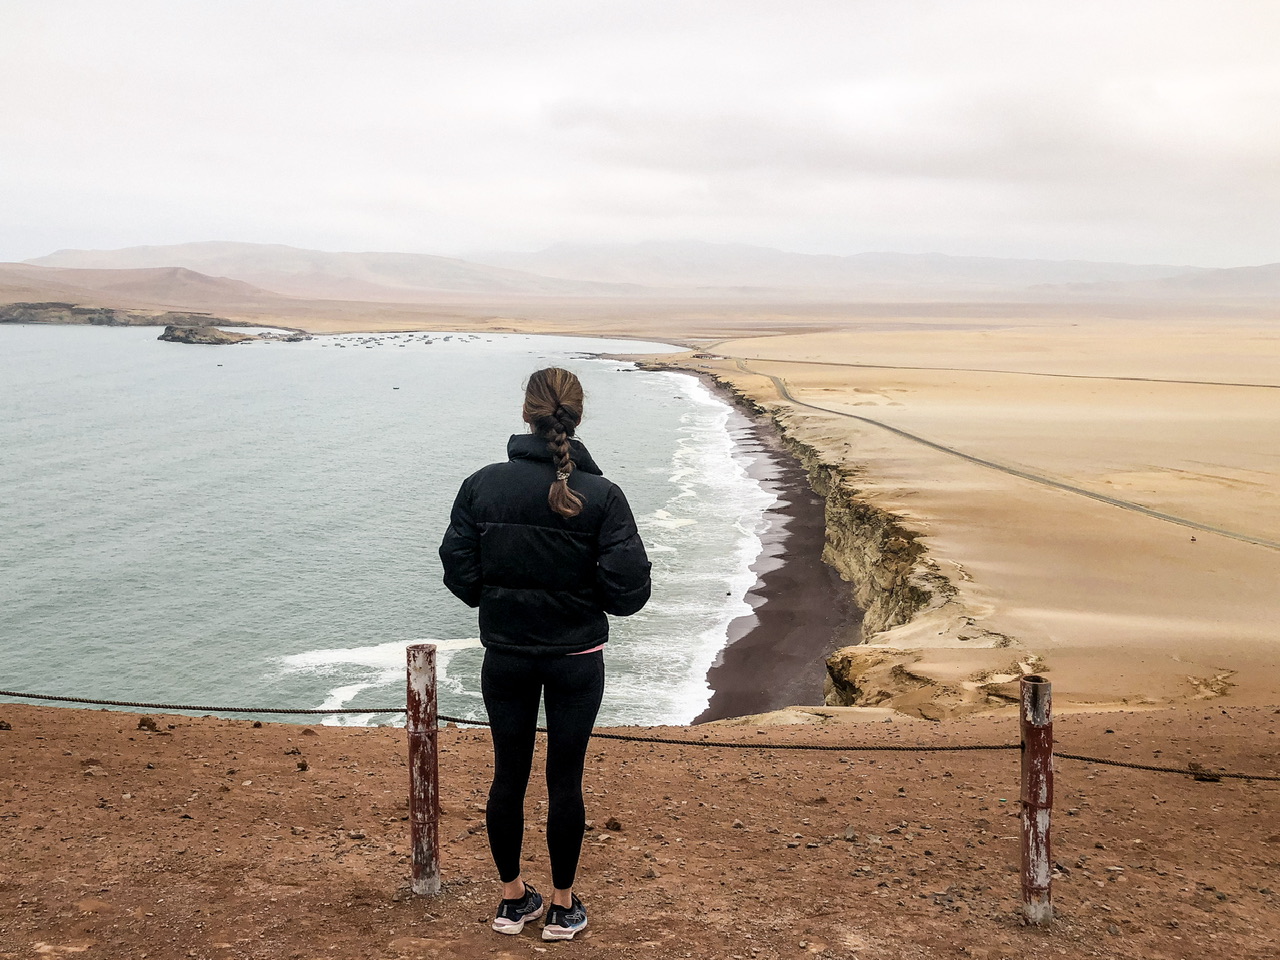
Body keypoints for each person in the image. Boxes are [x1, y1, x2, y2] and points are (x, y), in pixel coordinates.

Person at [438, 367, 651, 941]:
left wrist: (500, 598)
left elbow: (459, 573)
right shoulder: (602, 494)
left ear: (525, 413)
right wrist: (584, 596)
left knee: (508, 774)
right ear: (577, 418)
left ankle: (512, 901)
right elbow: (630, 594)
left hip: (505, 653)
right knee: (566, 780)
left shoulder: (481, 484)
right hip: (576, 657)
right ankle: (561, 906)